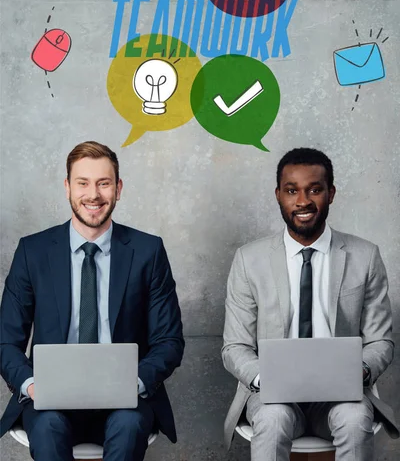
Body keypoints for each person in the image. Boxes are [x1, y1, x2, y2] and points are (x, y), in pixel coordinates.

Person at [0, 141, 185, 460]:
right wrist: (32, 386)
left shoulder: (147, 251)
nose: (93, 194)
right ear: (67, 187)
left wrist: (135, 384)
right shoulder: (33, 252)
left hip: (126, 399)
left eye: (104, 183)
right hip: (50, 399)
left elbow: (168, 341)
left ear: (119, 188)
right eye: (83, 183)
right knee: (46, 427)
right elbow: (6, 342)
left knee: (128, 426)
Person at [222, 147, 399, 461]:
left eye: (314, 190)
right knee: (272, 419)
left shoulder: (365, 256)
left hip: (341, 394)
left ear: (330, 194)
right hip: (272, 395)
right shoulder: (249, 260)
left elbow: (381, 340)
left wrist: (357, 370)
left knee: (355, 418)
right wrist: (267, 378)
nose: (302, 201)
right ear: (278, 195)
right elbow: (235, 346)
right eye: (292, 191)